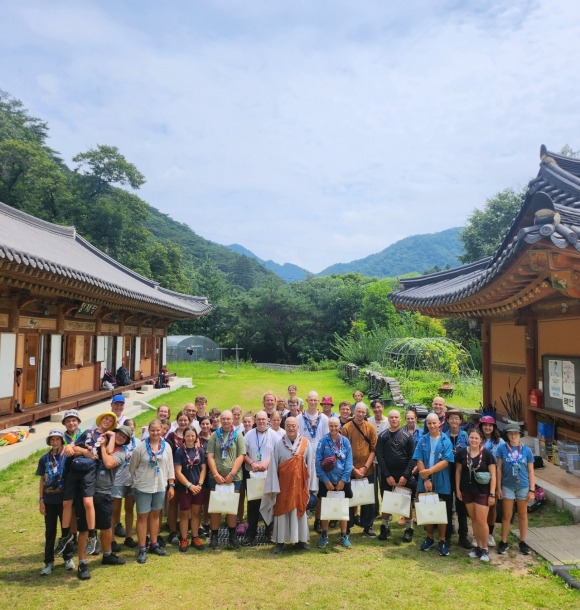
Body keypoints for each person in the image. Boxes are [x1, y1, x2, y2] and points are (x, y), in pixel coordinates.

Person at [55, 410, 118, 558]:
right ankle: (65, 536)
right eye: (105, 419)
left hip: (90, 471)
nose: (107, 422)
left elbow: (109, 451)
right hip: (75, 469)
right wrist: (83, 451)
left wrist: (112, 436)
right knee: (66, 503)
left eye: (110, 421)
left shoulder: (108, 437)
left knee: (88, 503)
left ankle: (92, 535)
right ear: (100, 419)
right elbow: (73, 447)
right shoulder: (88, 432)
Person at [75, 424, 129, 580]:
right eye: (118, 433)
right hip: (86, 491)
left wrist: (104, 446)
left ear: (125, 441)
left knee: (106, 527)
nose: (120, 437)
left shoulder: (122, 453)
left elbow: (108, 463)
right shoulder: (97, 440)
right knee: (84, 529)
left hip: (104, 492)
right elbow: (79, 449)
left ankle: (107, 555)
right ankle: (82, 562)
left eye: (123, 437)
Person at [260, 417, 311, 554]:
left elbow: (310, 466)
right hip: (282, 486)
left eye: (293, 425)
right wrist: (272, 487)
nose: (291, 428)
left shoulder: (305, 443)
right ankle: (280, 541)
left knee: (299, 510)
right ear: (285, 427)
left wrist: (310, 486)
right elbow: (272, 468)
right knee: (281, 512)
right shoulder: (279, 443)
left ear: (298, 427)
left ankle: (300, 540)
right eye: (288, 425)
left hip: (299, 485)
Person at [129, 419, 175, 564]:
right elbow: (132, 467)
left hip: (160, 486)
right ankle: (142, 547)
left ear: (162, 430)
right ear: (149, 431)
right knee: (142, 517)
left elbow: (170, 466)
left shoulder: (166, 446)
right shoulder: (141, 448)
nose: (155, 433)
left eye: (158, 430)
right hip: (143, 486)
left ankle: (154, 544)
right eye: (152, 430)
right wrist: (138, 480)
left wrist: (171, 485)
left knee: (155, 515)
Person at [413, 412, 454, 556]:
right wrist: (426, 479)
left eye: (434, 423)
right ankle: (429, 537)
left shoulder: (445, 440)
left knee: (442, 511)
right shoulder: (422, 440)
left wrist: (429, 472)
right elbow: (418, 459)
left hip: (442, 481)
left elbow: (446, 461)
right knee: (427, 509)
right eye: (429, 423)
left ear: (439, 424)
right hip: (426, 482)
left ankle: (442, 539)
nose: (431, 425)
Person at [36, 430, 75, 576]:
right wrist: (41, 500)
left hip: (64, 501)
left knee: (66, 530)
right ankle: (48, 562)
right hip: (49, 500)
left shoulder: (67, 456)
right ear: (49, 442)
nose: (55, 442)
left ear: (61, 441)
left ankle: (68, 557)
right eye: (52, 440)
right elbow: (41, 480)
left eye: (57, 439)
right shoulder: (44, 458)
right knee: (50, 531)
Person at [206, 409, 246, 549]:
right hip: (215, 478)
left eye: (228, 419)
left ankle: (232, 536)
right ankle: (215, 536)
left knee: (231, 507)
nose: (226, 421)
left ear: (232, 420)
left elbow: (241, 455)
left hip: (234, 478)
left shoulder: (238, 435)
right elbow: (210, 455)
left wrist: (232, 474)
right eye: (224, 419)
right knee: (216, 508)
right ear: (220, 420)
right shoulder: (214, 435)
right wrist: (216, 474)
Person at [455, 426, 496, 563]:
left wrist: (492, 494)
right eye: (471, 437)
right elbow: (458, 472)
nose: (473, 440)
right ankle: (478, 546)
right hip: (467, 490)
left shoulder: (487, 454)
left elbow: (494, 475)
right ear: (468, 438)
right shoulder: (462, 453)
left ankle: (485, 548)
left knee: (481, 520)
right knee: (473, 519)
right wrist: (458, 489)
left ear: (481, 440)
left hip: (483, 491)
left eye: (476, 438)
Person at [375, 410, 416, 542]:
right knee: (387, 501)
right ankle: (384, 527)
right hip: (388, 475)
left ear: (400, 419)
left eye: (396, 417)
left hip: (404, 475)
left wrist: (405, 475)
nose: (393, 419)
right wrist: (387, 475)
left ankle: (409, 529)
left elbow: (412, 457)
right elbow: (379, 456)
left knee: (406, 502)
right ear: (389, 419)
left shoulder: (408, 436)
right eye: (391, 417)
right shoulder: (382, 436)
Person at [496, 424, 535, 556]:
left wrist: (532, 490)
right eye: (511, 433)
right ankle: (504, 541)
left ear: (520, 435)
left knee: (523, 515)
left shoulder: (527, 450)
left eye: (516, 434)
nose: (513, 436)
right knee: (507, 515)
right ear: (507, 435)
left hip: (523, 486)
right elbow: (499, 469)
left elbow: (531, 471)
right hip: (507, 485)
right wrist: (498, 487)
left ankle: (523, 542)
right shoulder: (502, 449)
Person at [241, 410, 279, 546]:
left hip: (269, 474)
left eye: (264, 419)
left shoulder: (274, 435)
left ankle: (269, 532)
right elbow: (243, 453)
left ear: (268, 421)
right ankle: (251, 534)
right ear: (255, 421)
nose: (261, 422)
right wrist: (252, 463)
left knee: (270, 503)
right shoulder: (249, 435)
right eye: (259, 419)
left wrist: (266, 463)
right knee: (253, 505)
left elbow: (277, 452)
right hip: (253, 474)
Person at [315, 417, 353, 548]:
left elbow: (349, 462)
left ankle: (344, 535)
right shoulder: (322, 441)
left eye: (336, 426)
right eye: (331, 426)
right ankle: (324, 535)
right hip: (327, 482)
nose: (333, 428)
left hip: (343, 481)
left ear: (339, 427)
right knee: (325, 508)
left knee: (343, 508)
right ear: (328, 427)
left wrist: (343, 480)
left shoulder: (345, 441)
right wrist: (325, 481)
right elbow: (318, 463)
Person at [342, 403, 378, 538]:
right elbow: (343, 451)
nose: (361, 414)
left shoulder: (370, 428)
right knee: (350, 498)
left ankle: (367, 525)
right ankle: (348, 526)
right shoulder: (346, 428)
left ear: (366, 413)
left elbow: (374, 449)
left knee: (367, 499)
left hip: (367, 470)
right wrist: (353, 468)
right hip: (350, 470)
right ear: (354, 412)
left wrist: (365, 467)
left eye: (363, 412)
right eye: (358, 411)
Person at [296, 391, 329, 533]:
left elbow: (327, 439)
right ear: (306, 400)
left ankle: (318, 521)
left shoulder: (324, 419)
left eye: (316, 400)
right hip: (303, 461)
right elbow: (296, 440)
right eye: (311, 400)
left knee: (320, 492)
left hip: (320, 461)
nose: (313, 402)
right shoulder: (299, 418)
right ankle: (301, 519)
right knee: (302, 491)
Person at [174, 427, 207, 552]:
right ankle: (183, 538)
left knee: (196, 513)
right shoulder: (179, 452)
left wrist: (199, 484)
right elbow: (178, 472)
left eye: (193, 436)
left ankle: (195, 537)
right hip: (185, 488)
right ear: (184, 437)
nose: (190, 438)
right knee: (184, 514)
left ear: (196, 437)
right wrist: (189, 485)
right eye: (188, 436)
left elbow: (203, 468)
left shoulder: (201, 451)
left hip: (198, 488)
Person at [444, 409, 470, 549]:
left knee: (461, 506)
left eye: (457, 419)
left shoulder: (466, 436)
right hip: (447, 473)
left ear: (461, 421)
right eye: (451, 418)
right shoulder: (443, 436)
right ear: (447, 420)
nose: (454, 421)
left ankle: (463, 536)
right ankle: (446, 536)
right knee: (448, 506)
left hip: (463, 474)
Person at [165, 410, 192, 545]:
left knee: (187, 505)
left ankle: (186, 531)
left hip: (189, 476)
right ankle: (173, 531)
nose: (183, 422)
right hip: (174, 475)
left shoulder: (192, 435)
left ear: (189, 421)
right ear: (177, 421)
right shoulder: (171, 436)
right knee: (173, 504)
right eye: (180, 420)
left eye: (185, 420)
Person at [111, 419, 139, 549]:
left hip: (132, 481)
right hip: (117, 480)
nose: (130, 432)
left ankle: (128, 536)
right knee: (114, 511)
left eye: (132, 430)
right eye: (127, 430)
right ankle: (111, 539)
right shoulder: (117, 442)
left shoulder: (138, 443)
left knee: (129, 509)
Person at [479, 414, 505, 548]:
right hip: (479, 476)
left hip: (494, 477)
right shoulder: (477, 439)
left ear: (494, 427)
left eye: (490, 425)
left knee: (492, 505)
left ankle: (490, 533)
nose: (487, 427)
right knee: (479, 505)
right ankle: (478, 534)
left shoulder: (499, 442)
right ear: (481, 426)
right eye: (485, 425)